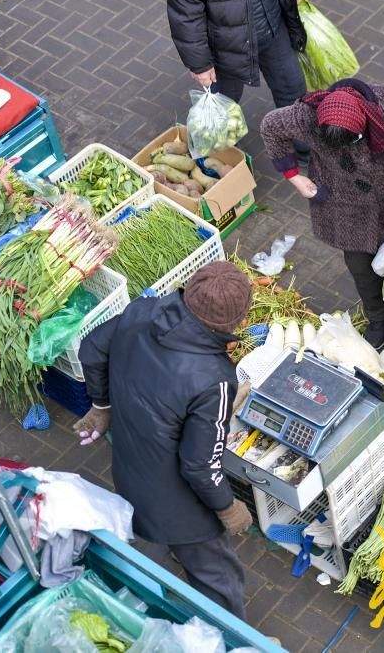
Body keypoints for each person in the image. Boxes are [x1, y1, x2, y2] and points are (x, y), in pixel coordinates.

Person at [74, 262, 254, 619]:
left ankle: (167, 569)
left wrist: (102, 405)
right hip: (180, 506)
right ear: (232, 323)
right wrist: (227, 507)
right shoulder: (214, 379)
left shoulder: (142, 311)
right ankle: (233, 640)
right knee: (218, 578)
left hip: (129, 470)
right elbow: (201, 465)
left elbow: (92, 350)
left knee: (156, 546)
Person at [259, 79, 384, 350]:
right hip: (344, 211)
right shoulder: (306, 115)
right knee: (362, 271)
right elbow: (270, 127)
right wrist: (292, 176)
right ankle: (377, 317)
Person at [166, 0, 308, 156]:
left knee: (292, 88)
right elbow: (185, 13)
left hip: (272, 28)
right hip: (226, 45)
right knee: (222, 105)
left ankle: (305, 146)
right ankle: (225, 158)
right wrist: (200, 64)